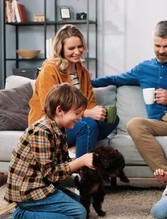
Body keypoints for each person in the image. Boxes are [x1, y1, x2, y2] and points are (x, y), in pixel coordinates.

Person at [92, 20, 167, 172]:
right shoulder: (144, 68)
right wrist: (87, 82)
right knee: (134, 124)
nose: (161, 50)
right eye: (157, 45)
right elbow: (115, 79)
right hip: (159, 123)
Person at [0, 83, 94, 219]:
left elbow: (62, 163)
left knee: (83, 205)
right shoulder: (42, 131)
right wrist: (81, 161)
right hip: (29, 192)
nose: (80, 118)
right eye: (77, 113)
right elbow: (51, 173)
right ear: (60, 110)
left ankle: (32, 209)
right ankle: (17, 214)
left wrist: (86, 164)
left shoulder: (59, 129)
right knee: (79, 215)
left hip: (43, 186)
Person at [28, 24, 119, 158]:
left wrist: (97, 112)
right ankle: (82, 173)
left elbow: (90, 103)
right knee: (88, 126)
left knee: (112, 119)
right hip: (51, 126)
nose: (77, 51)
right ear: (61, 49)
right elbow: (50, 109)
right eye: (71, 48)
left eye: (80, 46)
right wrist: (87, 113)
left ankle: (72, 150)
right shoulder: (50, 69)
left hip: (72, 122)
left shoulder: (83, 72)